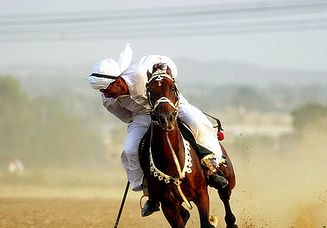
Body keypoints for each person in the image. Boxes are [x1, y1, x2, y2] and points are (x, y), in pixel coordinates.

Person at [87, 43, 228, 217]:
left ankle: (212, 167)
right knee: (130, 150)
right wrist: (150, 122)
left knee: (197, 122)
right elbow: (126, 117)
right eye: (101, 91)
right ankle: (149, 193)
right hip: (142, 117)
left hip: (171, 105)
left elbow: (162, 64)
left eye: (107, 90)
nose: (105, 94)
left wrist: (165, 76)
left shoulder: (139, 74)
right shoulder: (108, 101)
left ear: (117, 81)